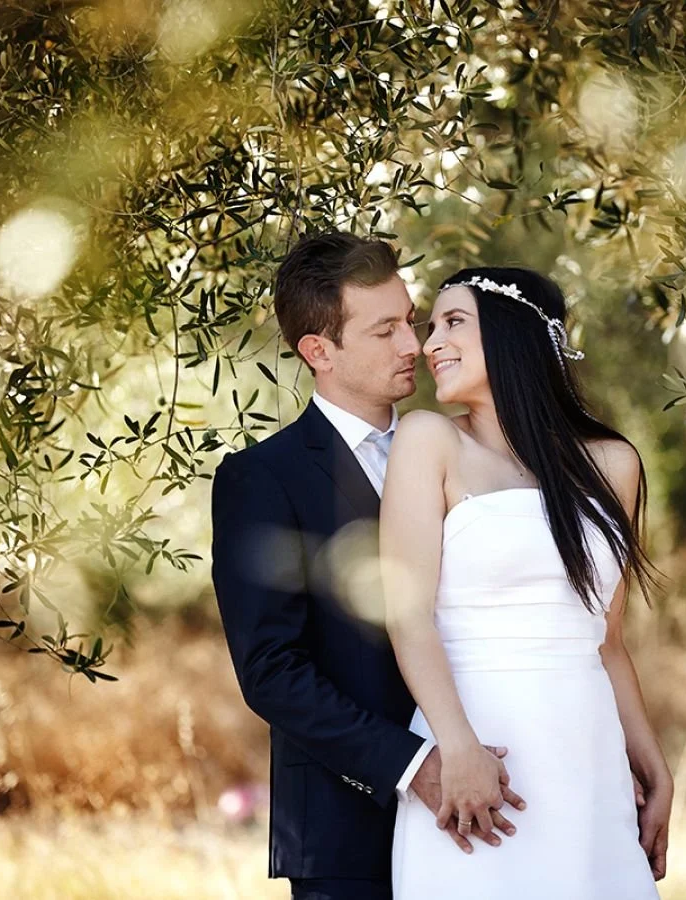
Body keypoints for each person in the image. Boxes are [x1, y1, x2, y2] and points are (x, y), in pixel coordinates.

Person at [210, 235, 523, 900]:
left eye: (408, 322)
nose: (414, 346)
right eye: (384, 331)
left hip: (500, 795)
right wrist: (416, 766)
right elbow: (271, 671)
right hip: (352, 827)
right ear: (318, 352)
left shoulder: (469, 454)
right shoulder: (264, 479)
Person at [381, 267, 673, 898]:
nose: (430, 343)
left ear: (518, 335)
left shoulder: (615, 463)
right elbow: (408, 618)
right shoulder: (429, 440)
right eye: (431, 328)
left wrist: (651, 759)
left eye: (453, 322)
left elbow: (607, 640)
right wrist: (456, 749)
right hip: (478, 752)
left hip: (586, 755)